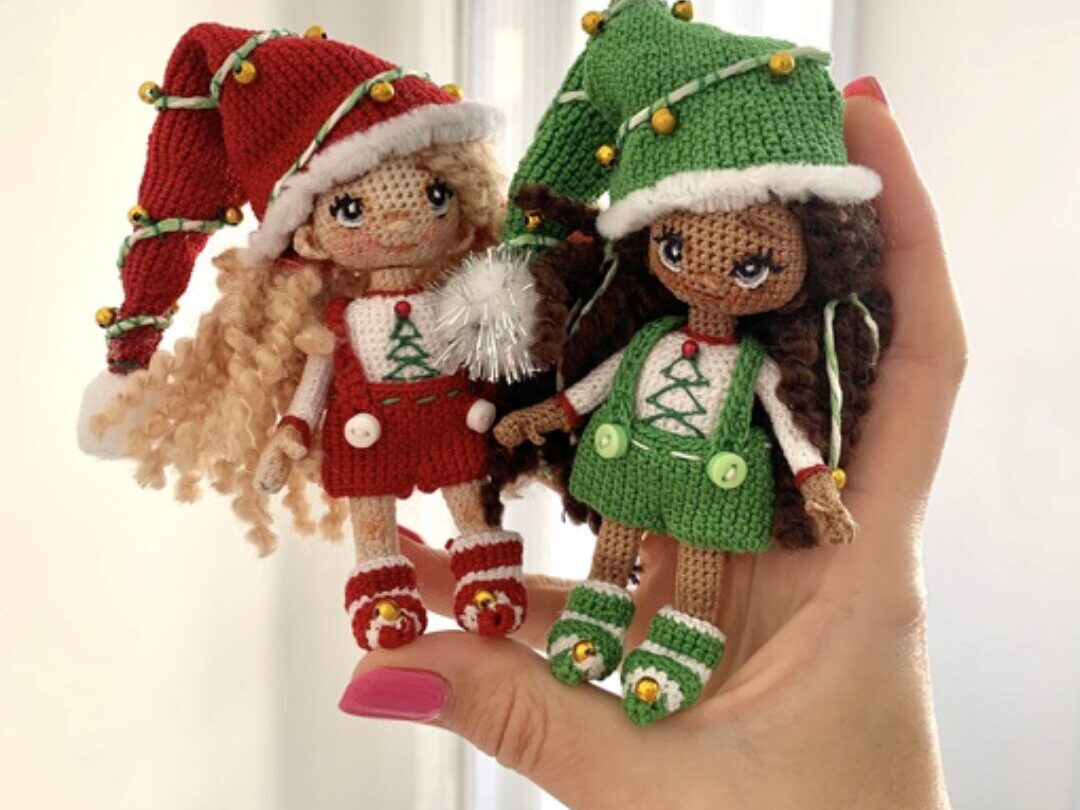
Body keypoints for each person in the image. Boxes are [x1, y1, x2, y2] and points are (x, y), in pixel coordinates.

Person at [339, 77, 962, 809]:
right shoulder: (650, 338)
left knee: (698, 565)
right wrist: (550, 414)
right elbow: (600, 386)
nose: (710, 272)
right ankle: (596, 614)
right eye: (676, 244)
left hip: (707, 481)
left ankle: (683, 642)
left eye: (751, 264)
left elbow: (789, 418)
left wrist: (813, 479)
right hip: (630, 460)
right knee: (615, 550)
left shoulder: (756, 364)